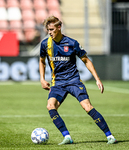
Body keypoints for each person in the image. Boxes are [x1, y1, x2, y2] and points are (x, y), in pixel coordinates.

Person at [39, 16, 117, 145]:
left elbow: (86, 60)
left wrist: (97, 79)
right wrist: (42, 79)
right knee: (50, 106)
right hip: (57, 83)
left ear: (59, 27)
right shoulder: (45, 44)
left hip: (74, 81)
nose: (49, 32)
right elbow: (42, 62)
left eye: (52, 29)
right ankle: (67, 137)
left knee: (87, 107)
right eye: (48, 30)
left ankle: (110, 136)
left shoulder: (72, 43)